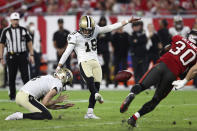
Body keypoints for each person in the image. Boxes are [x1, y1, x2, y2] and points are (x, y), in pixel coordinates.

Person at [56, 15, 141, 119]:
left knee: (97, 86)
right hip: (84, 62)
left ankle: (90, 113)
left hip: (95, 62)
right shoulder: (75, 36)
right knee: (90, 82)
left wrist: (128, 21)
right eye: (85, 30)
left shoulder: (96, 29)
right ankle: (96, 95)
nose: (87, 32)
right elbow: (67, 52)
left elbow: (110, 27)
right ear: (80, 28)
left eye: (89, 30)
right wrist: (59, 65)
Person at [120, 29, 197, 127]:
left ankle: (131, 94)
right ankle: (134, 118)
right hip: (172, 74)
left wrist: (162, 52)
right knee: (156, 100)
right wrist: (184, 80)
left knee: (141, 85)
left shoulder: (178, 38)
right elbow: (191, 71)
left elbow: (166, 48)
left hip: (162, 65)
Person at [5, 68, 74, 120]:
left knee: (45, 113)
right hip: (27, 97)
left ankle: (19, 115)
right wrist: (57, 101)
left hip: (21, 95)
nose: (65, 85)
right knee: (46, 116)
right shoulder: (58, 84)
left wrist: (62, 106)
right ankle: (19, 115)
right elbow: (44, 103)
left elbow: (44, 105)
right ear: (63, 78)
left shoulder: (49, 78)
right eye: (66, 83)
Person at [0, 12, 34, 100]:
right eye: (14, 20)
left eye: (17, 19)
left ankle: (28, 95)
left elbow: (29, 42)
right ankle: (12, 96)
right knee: (11, 77)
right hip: (11, 56)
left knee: (25, 76)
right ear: (10, 20)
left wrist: (31, 54)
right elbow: (2, 44)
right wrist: (1, 57)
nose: (15, 21)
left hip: (22, 55)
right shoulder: (6, 31)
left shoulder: (23, 30)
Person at [97, 16, 112, 87]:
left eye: (104, 21)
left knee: (106, 66)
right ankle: (99, 80)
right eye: (101, 21)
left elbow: (110, 38)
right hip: (98, 52)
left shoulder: (107, 29)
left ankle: (107, 81)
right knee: (98, 67)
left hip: (105, 51)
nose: (102, 22)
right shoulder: (97, 29)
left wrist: (103, 37)